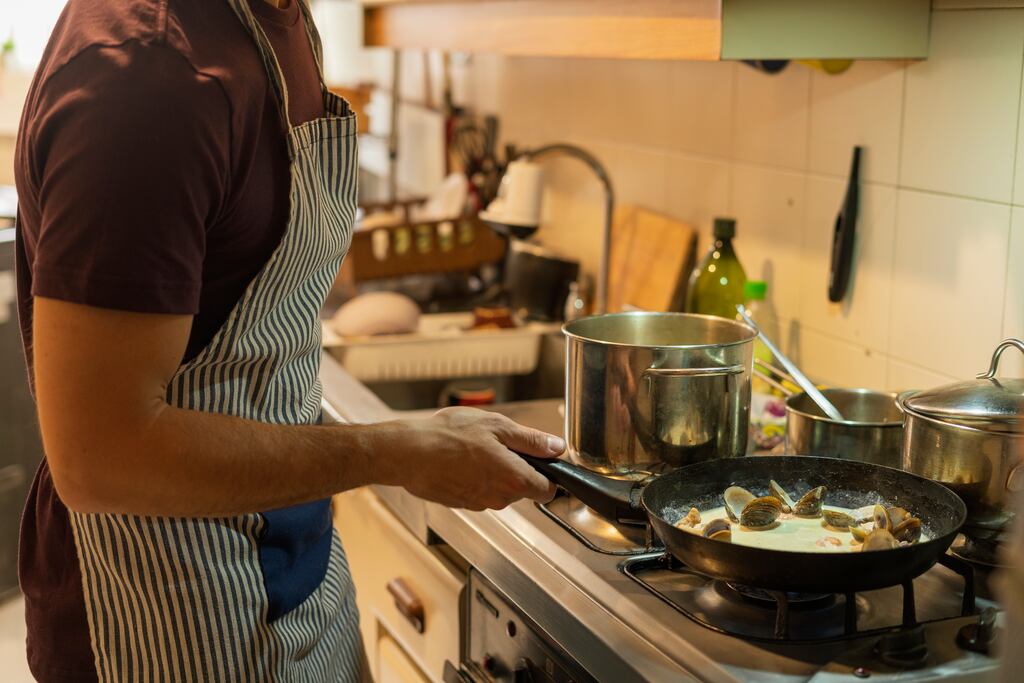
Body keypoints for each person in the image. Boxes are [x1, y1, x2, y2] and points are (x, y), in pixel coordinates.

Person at [13, 1, 561, 680]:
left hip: (298, 574)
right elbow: (102, 455)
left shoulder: (278, 20)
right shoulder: (149, 75)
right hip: (171, 615)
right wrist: (394, 450)